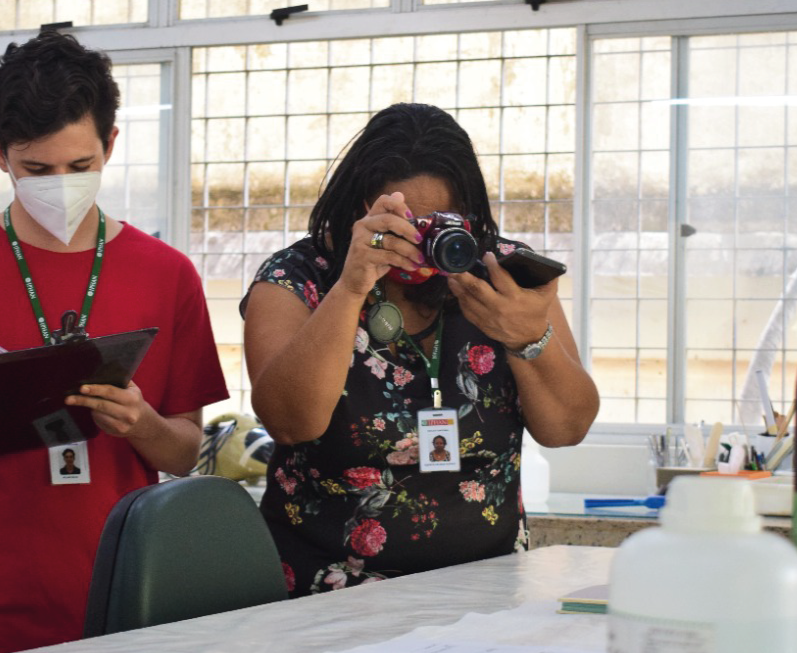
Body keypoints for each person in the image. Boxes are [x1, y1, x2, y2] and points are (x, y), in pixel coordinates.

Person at [0, 31, 228, 653]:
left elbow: (185, 450)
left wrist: (139, 422)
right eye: (36, 169)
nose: (59, 183)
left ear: (111, 145)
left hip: (130, 599)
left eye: (80, 166)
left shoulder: (167, 274)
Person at [241, 102, 599, 597]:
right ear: (357, 210)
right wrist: (351, 287)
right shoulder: (299, 278)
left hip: (486, 594)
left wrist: (526, 339)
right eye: (404, 223)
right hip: (328, 601)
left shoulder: (502, 276)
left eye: (442, 222)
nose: (421, 241)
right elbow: (289, 421)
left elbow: (568, 428)